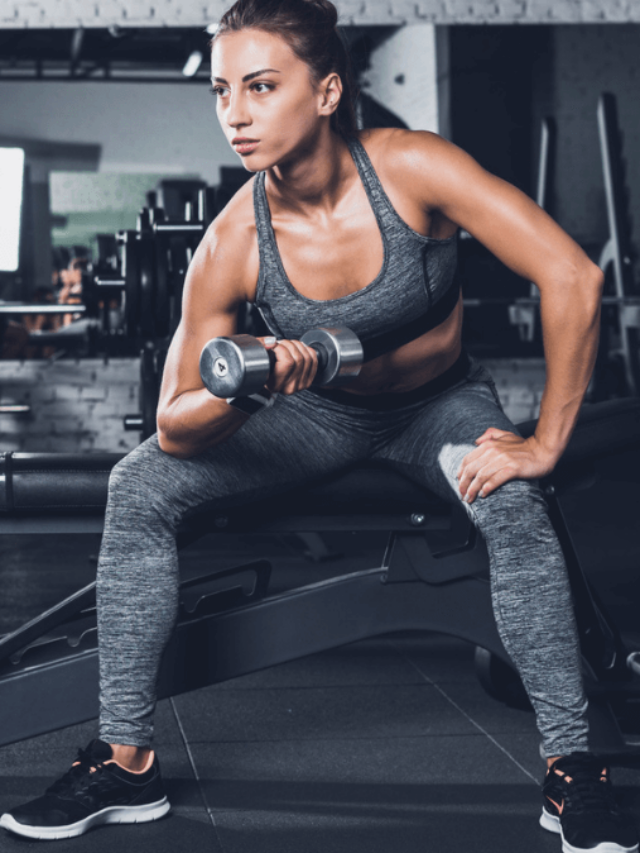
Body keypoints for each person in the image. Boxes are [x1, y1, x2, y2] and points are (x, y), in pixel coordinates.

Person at [1, 1, 637, 850]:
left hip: (438, 409)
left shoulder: (412, 170)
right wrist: (250, 386)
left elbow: (568, 275)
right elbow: (174, 424)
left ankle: (573, 769)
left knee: (516, 505)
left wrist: (546, 440)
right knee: (137, 482)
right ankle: (126, 761)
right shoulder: (233, 240)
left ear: (328, 89)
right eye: (223, 90)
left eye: (262, 86)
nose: (236, 112)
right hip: (315, 419)